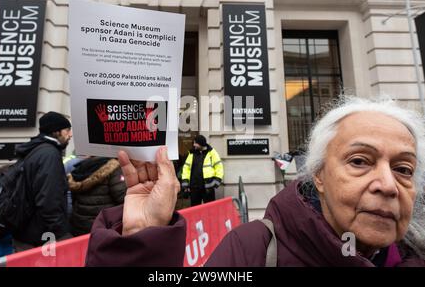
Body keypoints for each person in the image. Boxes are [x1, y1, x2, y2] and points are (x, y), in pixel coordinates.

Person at [85, 96, 425, 266]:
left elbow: (214, 168)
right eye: (360, 161)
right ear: (318, 175)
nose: (387, 184)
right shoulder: (252, 251)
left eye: (404, 169)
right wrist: (141, 239)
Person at [12, 111, 73, 252]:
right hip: (41, 236)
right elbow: (49, 200)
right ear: (56, 131)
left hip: (27, 233)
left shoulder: (36, 150)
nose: (70, 135)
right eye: (67, 130)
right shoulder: (49, 154)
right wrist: (61, 234)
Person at [68, 156, 126, 236]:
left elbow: (73, 199)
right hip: (103, 225)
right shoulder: (115, 167)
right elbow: (121, 197)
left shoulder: (81, 167)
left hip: (80, 225)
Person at [181, 135, 223, 206]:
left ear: (201, 143)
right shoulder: (192, 153)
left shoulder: (212, 153)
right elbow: (186, 168)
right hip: (194, 187)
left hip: (208, 187)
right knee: (194, 209)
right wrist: (185, 182)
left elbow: (219, 167)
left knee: (210, 209)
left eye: (195, 143)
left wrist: (216, 181)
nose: (194, 145)